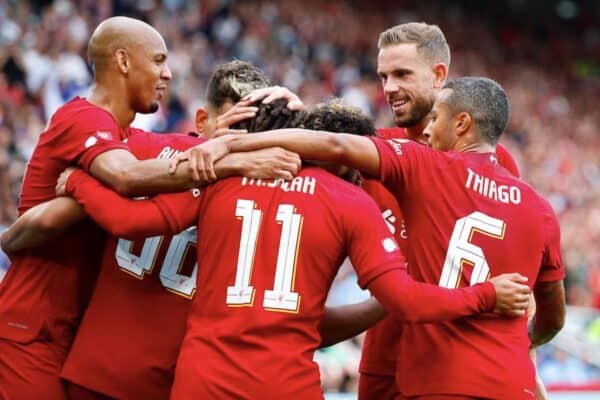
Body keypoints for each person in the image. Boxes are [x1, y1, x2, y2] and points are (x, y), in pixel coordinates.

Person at [58, 98, 528, 399]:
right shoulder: (350, 202)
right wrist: (485, 293)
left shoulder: (225, 183)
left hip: (204, 380)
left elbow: (132, 220)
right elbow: (401, 300)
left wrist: (79, 180)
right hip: (286, 384)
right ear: (352, 159)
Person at [175, 76, 566, 399]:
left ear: (461, 123)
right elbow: (553, 317)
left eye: (436, 118)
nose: (425, 130)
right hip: (511, 384)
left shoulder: (422, 166)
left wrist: (229, 143)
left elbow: (338, 143)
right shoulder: (540, 208)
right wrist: (522, 340)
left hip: (439, 382)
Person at [0, 17, 299, 400]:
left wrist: (242, 138)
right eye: (158, 60)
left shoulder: (133, 139)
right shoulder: (84, 119)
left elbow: (35, 227)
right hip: (30, 328)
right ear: (123, 61)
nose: (168, 73)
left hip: (69, 333)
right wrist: (231, 161)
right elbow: (127, 176)